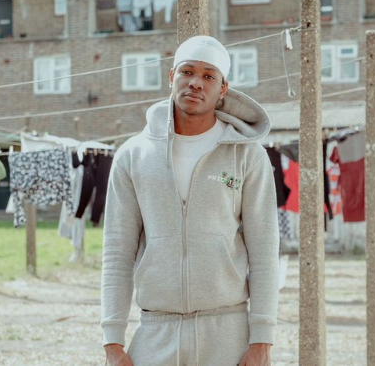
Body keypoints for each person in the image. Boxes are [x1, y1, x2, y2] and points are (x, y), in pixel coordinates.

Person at [101, 35, 279, 366]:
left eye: (209, 76)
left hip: (229, 333)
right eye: (187, 72)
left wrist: (263, 338)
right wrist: (112, 339)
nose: (196, 82)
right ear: (172, 77)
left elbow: (265, 249)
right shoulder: (133, 155)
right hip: (156, 332)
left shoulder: (247, 156)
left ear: (223, 89)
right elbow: (117, 251)